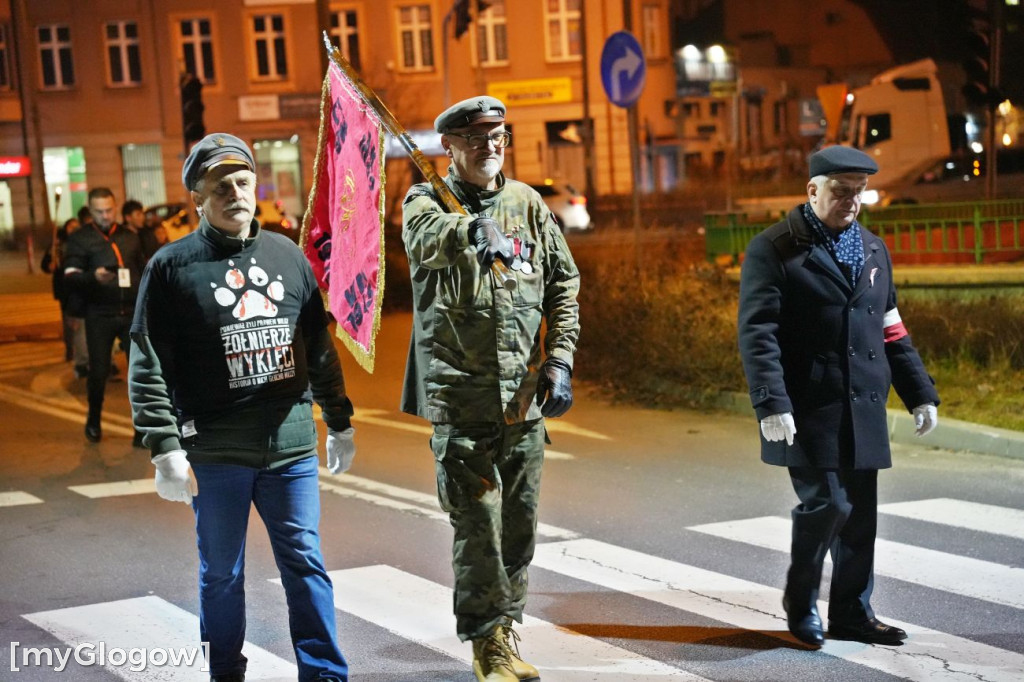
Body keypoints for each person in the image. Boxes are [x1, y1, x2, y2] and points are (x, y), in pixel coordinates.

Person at [128, 132, 355, 682]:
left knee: (305, 567)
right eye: (220, 186)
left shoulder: (287, 255)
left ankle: (324, 675)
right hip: (217, 452)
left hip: (290, 448)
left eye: (244, 181)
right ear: (198, 199)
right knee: (222, 575)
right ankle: (225, 672)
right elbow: (148, 360)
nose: (235, 193)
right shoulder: (170, 268)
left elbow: (318, 348)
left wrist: (340, 420)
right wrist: (164, 448)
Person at [401, 96, 580, 682]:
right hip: (461, 400)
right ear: (448, 147)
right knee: (478, 528)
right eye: (476, 138)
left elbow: (563, 283)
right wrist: (471, 230)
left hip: (523, 401)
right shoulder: (425, 203)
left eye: (499, 135)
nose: (491, 146)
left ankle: (506, 627)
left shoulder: (527, 204)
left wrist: (559, 358)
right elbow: (426, 243)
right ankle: (487, 645)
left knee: (519, 528)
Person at [737, 145, 940, 648]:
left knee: (860, 517)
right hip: (808, 405)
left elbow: (890, 328)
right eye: (840, 190)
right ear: (812, 190)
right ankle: (801, 602)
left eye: (859, 192)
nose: (851, 201)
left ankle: (851, 612)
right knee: (826, 505)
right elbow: (758, 331)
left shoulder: (872, 249)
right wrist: (770, 402)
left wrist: (919, 392)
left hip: (863, 404)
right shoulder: (776, 247)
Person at [64, 187, 146, 443]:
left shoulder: (129, 237)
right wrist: (93, 277)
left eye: (109, 210)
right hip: (99, 313)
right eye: (99, 211)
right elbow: (69, 275)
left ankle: (140, 428)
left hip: (130, 312)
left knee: (138, 372)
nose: (106, 216)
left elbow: (144, 269)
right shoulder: (80, 238)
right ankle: (94, 419)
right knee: (98, 372)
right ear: (91, 211)